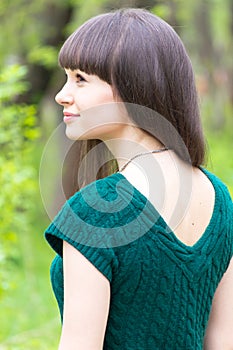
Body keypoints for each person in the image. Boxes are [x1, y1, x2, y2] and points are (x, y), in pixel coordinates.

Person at [44, 8, 233, 350]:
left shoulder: (94, 212)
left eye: (80, 79)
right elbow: (223, 341)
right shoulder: (220, 200)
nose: (62, 94)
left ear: (134, 83)